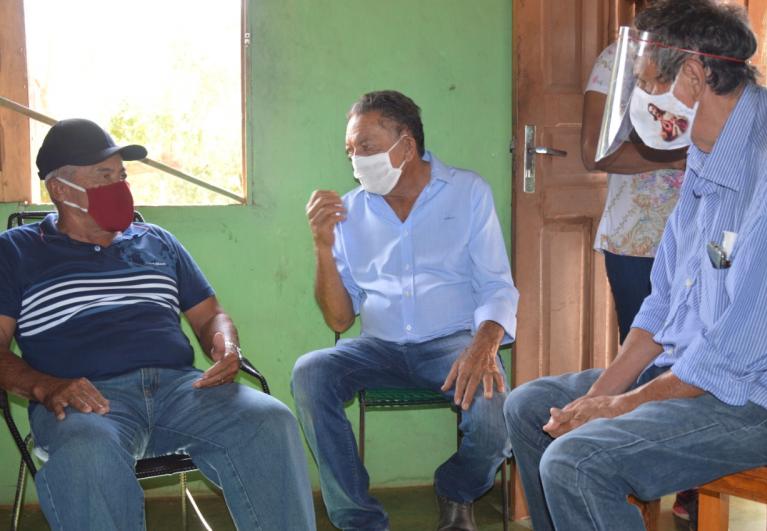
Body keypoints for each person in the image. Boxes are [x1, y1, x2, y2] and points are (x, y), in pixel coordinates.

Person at [505, 1, 767, 530]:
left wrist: (621, 406)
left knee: (578, 460)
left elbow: (747, 345)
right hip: (699, 376)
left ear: (692, 74)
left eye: (644, 83)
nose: (638, 100)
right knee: (531, 408)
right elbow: (664, 301)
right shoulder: (707, 148)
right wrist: (595, 400)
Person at [0, 118, 316, 530]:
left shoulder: (157, 240)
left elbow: (210, 316)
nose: (120, 186)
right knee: (87, 453)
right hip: (87, 402)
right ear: (60, 189)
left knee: (269, 421)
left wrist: (226, 345)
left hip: (182, 390)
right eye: (104, 175)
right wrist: (46, 385)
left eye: (122, 175)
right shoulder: (16, 252)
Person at [293, 90, 518, 531]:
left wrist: (485, 344)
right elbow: (340, 320)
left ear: (407, 146)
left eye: (367, 147)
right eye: (350, 151)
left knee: (495, 415)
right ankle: (358, 519)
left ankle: (455, 489)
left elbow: (496, 284)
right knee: (310, 371)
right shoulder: (350, 211)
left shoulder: (468, 192)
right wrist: (323, 246)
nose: (356, 160)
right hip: (377, 348)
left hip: (452, 345)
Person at [580, 25, 695, 523]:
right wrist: (681, 153)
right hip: (637, 239)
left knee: (697, 363)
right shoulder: (617, 62)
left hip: (703, 241)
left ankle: (693, 485)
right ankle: (635, 481)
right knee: (643, 361)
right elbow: (595, 152)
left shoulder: (706, 65)